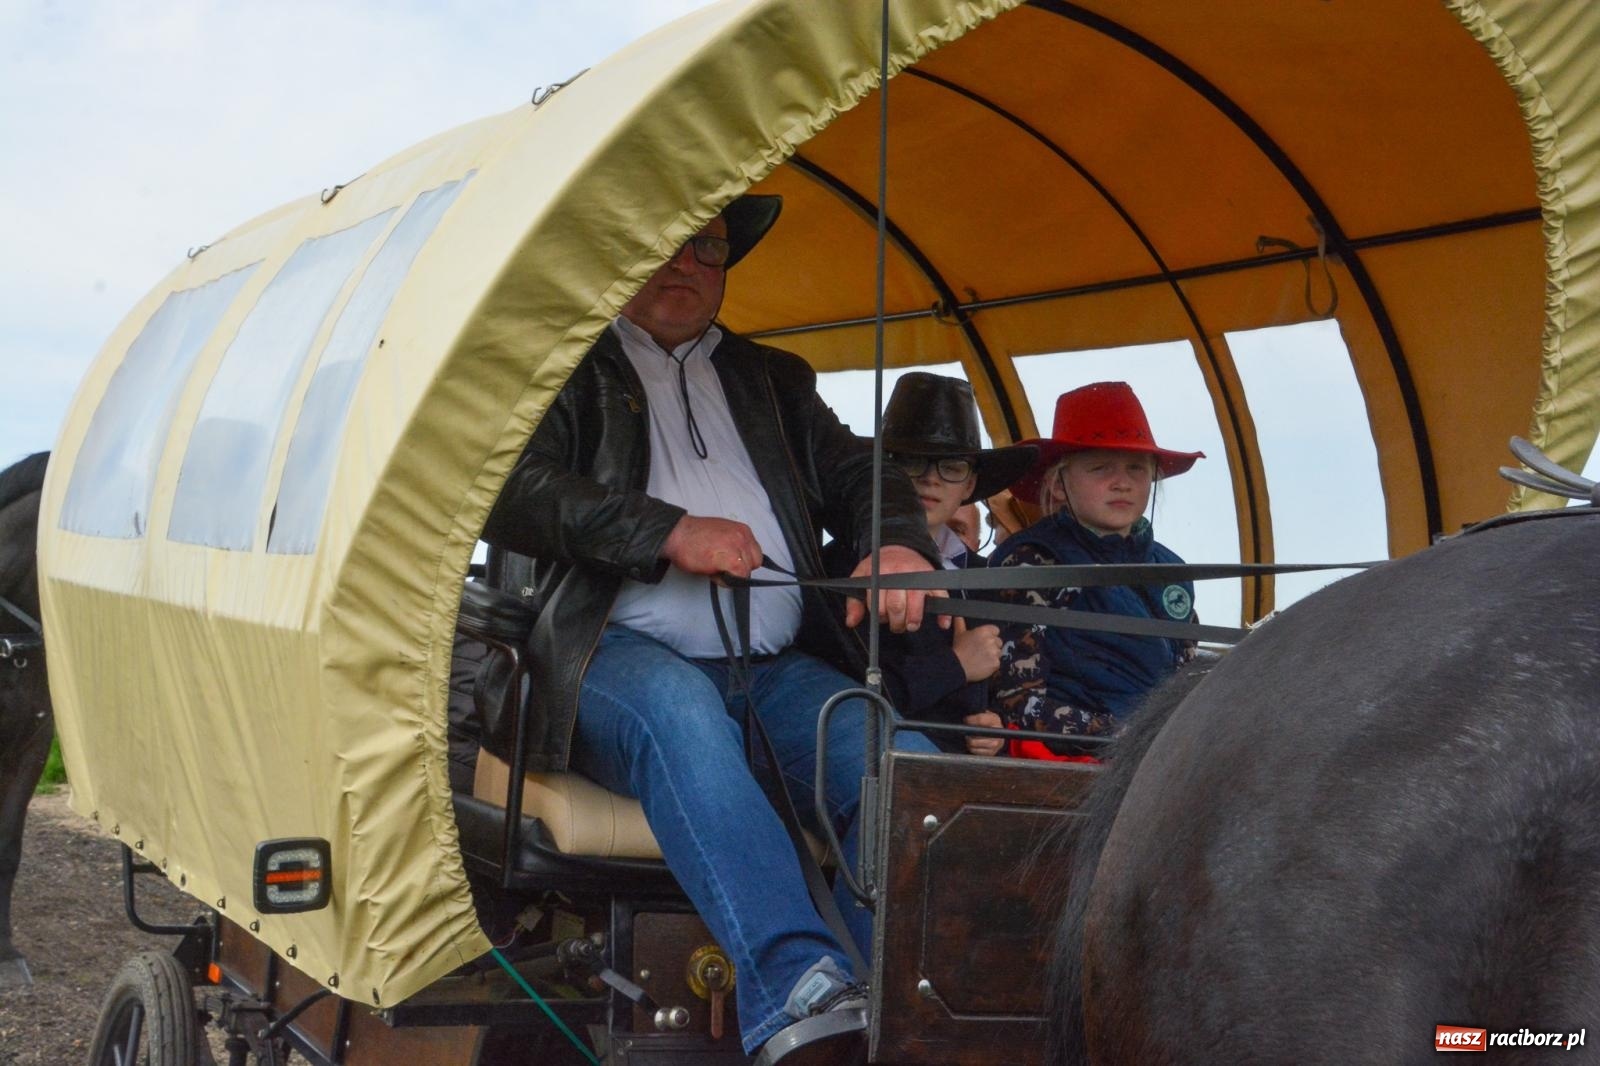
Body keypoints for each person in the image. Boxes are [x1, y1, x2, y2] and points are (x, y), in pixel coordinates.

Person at [481, 194, 942, 1064]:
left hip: (770, 666)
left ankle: (905, 990)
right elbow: (510, 493)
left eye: (707, 247)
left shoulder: (774, 380)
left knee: (896, 760)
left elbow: (858, 471)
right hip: (608, 655)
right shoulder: (563, 370)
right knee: (683, 717)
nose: (686, 263)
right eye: (665, 241)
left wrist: (895, 541)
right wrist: (666, 531)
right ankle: (800, 988)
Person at [989, 381, 1203, 759]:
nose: (1122, 482)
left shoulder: (1172, 571)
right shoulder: (1032, 560)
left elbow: (1185, 678)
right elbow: (1017, 701)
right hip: (1065, 762)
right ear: (1057, 485)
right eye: (1100, 467)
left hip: (1158, 755)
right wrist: (1125, 734)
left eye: (1137, 469)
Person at [824, 372, 1033, 757]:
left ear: (970, 486)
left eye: (951, 467)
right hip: (878, 768)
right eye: (912, 462)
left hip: (973, 781)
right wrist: (955, 664)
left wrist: (996, 731)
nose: (931, 480)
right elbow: (839, 700)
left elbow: (1013, 697)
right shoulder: (840, 568)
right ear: (882, 473)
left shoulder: (992, 578)